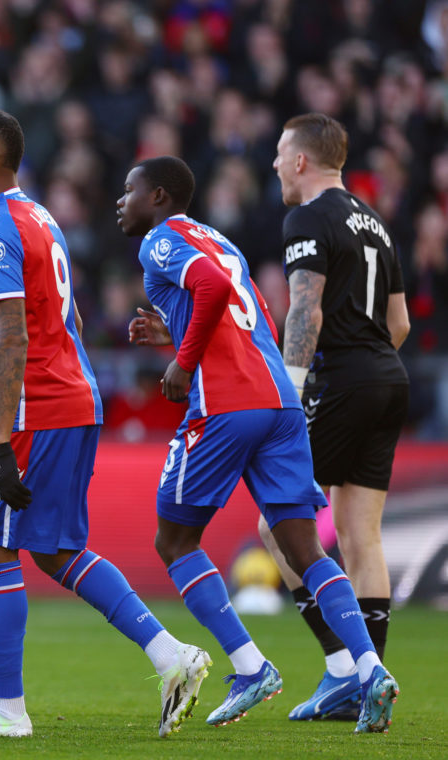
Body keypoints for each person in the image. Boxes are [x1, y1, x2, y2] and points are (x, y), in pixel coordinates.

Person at [0, 109, 211, 740]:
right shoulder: (40, 216)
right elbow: (72, 318)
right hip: (74, 396)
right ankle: (172, 656)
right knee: (58, 551)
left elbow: (12, 335)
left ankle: (7, 709)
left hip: (36, 406)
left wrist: (2, 438)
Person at [118, 154, 398, 734]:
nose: (121, 201)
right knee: (305, 548)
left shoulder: (160, 241)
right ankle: (369, 669)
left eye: (130, 190)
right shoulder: (219, 238)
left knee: (174, 540)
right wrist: (174, 332)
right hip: (279, 402)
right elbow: (247, 317)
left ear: (160, 197)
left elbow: (212, 287)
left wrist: (183, 360)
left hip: (225, 404)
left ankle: (250, 668)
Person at [257, 112, 410, 722]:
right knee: (359, 535)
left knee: (277, 525)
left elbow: (305, 310)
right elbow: (399, 323)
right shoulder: (375, 222)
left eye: (279, 153)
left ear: (301, 160)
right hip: (389, 378)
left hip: (341, 379)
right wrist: (369, 369)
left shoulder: (307, 217)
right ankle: (372, 683)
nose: (274, 164)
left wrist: (292, 395)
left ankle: (347, 669)